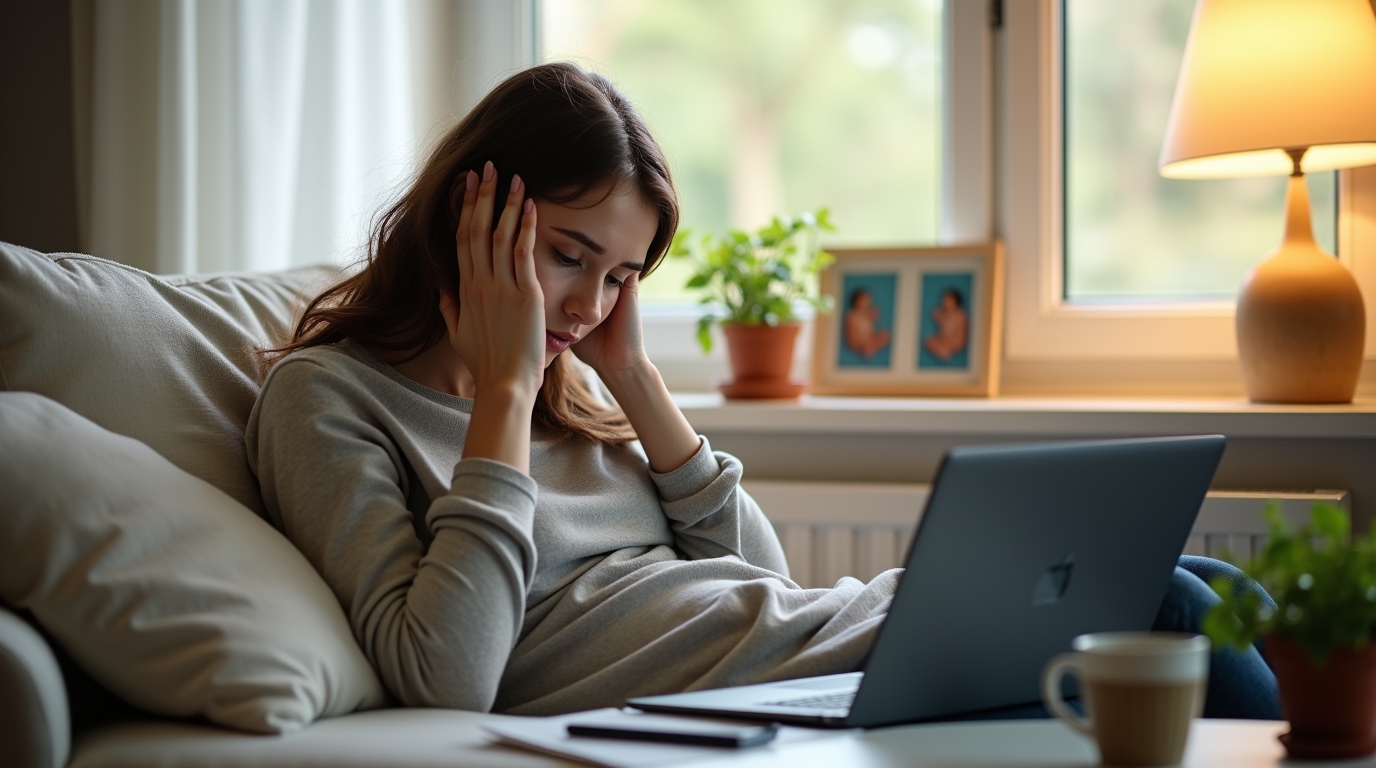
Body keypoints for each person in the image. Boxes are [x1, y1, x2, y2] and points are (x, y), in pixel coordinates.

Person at [246, 62, 1277, 720]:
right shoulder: (328, 399)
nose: (586, 304)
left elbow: (761, 578)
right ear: (474, 215)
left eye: (619, 278)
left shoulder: (577, 382)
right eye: (568, 256)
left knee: (1212, 587)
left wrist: (634, 379)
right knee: (1178, 604)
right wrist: (504, 394)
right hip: (787, 691)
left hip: (846, 645)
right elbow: (447, 677)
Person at [844, 287, 892, 359]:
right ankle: (867, 349)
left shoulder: (869, 314)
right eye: (864, 300)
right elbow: (851, 335)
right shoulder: (852, 315)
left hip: (869, 340)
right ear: (857, 301)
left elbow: (873, 328)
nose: (867, 303)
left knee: (886, 335)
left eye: (868, 300)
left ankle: (869, 348)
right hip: (858, 342)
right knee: (867, 348)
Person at [923, 287, 968, 362]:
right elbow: (939, 318)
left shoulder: (960, 314)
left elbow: (960, 335)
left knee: (950, 345)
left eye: (948, 300)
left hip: (955, 342)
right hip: (944, 341)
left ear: (955, 302)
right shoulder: (945, 314)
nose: (945, 302)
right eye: (945, 300)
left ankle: (944, 351)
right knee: (928, 341)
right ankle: (943, 351)